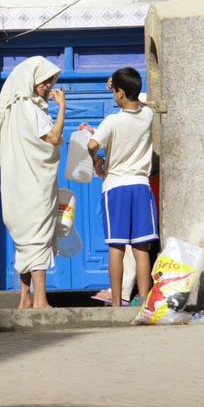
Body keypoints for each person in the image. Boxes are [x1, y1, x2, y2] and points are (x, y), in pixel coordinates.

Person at [0, 56, 66, 309]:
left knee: (24, 241)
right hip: (35, 186)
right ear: (29, 80)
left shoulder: (10, 111)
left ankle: (25, 298)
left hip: (15, 186)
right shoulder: (31, 109)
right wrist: (62, 107)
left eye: (50, 81)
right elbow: (53, 138)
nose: (47, 85)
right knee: (38, 238)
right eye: (43, 80)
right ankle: (41, 300)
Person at [81, 67, 159, 307]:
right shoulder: (148, 116)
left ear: (120, 93)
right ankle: (144, 301)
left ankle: (116, 303)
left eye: (114, 91)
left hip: (115, 187)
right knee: (141, 248)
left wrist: (97, 160)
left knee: (116, 247)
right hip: (140, 186)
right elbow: (142, 102)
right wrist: (120, 84)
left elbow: (92, 144)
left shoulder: (112, 121)